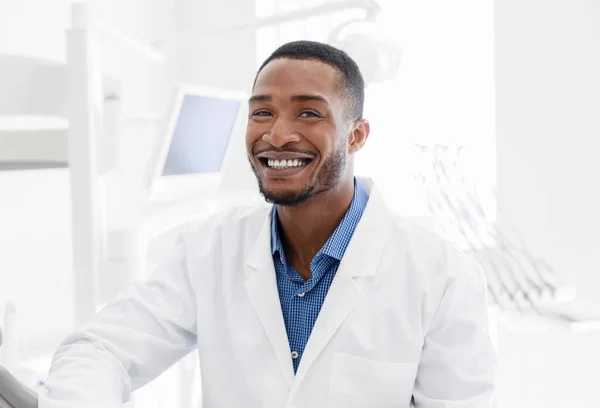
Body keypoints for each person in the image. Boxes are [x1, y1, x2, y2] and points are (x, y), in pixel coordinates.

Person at [39, 40, 497, 408]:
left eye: (308, 113)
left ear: (356, 135)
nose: (277, 134)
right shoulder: (209, 249)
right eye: (262, 111)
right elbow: (98, 352)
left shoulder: (440, 276)